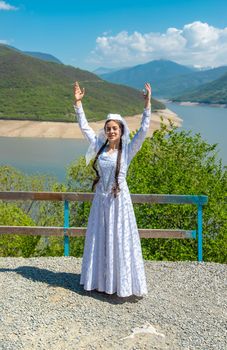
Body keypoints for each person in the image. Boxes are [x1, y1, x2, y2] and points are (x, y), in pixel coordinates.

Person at [73, 81, 152, 297]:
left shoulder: (127, 151)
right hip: (101, 200)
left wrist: (147, 105)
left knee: (119, 239)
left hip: (119, 201)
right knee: (101, 238)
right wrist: (78, 105)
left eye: (114, 128)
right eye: (108, 128)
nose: (110, 131)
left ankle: (121, 284)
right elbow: (85, 128)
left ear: (121, 130)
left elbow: (144, 131)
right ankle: (101, 280)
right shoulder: (99, 146)